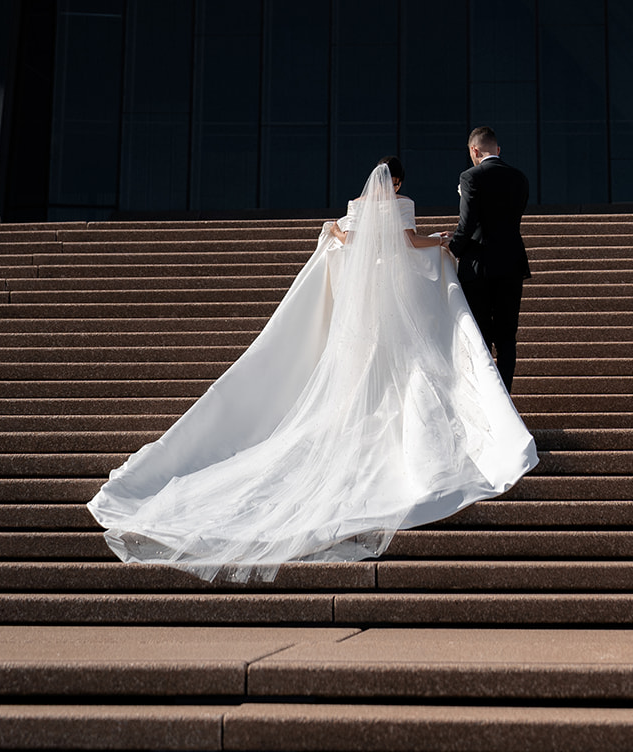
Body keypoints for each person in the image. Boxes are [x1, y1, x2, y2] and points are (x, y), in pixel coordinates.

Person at [87, 159, 537, 583]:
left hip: (362, 302)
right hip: (395, 294)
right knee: (402, 361)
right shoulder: (402, 204)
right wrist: (438, 241)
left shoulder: (355, 206)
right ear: (398, 182)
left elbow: (345, 238)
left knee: (362, 358)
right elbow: (407, 242)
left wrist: (333, 231)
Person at [447, 126, 530, 392]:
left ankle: (486, 397)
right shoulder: (519, 178)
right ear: (498, 149)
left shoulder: (470, 177)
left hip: (479, 267)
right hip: (512, 264)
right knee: (507, 337)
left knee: (480, 336)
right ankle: (505, 396)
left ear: (474, 150)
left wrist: (451, 249)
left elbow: (467, 224)